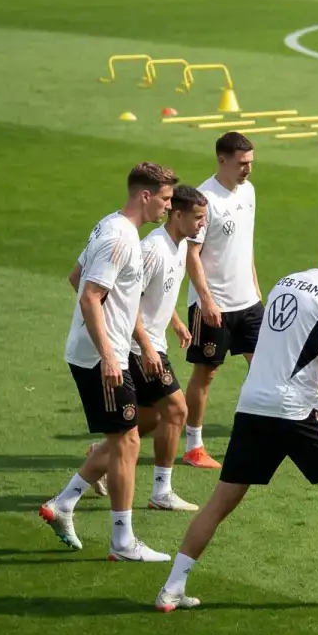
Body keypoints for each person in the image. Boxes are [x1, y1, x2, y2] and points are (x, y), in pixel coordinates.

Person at [156, 224, 318, 612]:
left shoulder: (287, 282)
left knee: (220, 502)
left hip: (253, 404)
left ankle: (172, 588)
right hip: (295, 410)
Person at [38, 163, 178, 559]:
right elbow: (88, 295)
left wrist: (135, 342)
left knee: (133, 430)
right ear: (145, 195)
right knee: (127, 442)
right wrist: (108, 355)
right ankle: (121, 542)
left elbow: (76, 276)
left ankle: (64, 504)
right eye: (165, 199)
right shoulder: (121, 239)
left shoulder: (110, 225)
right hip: (103, 358)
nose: (168, 207)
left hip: (110, 350)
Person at [121, 184, 209, 513]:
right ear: (177, 214)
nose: (203, 224)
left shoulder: (180, 245)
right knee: (176, 411)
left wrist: (175, 321)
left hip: (150, 342)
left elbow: (155, 292)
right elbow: (127, 301)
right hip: (138, 346)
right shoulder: (153, 249)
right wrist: (146, 347)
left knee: (148, 421)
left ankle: (99, 456)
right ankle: (162, 491)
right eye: (198, 217)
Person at [181, 132, 261, 471]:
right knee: (207, 373)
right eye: (242, 164)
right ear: (222, 160)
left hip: (248, 302)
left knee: (263, 367)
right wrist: (207, 300)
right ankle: (193, 445)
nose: (248, 170)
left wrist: (258, 292)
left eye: (251, 163)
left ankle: (262, 432)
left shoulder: (250, 192)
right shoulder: (205, 200)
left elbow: (246, 245)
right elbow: (192, 254)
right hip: (213, 306)